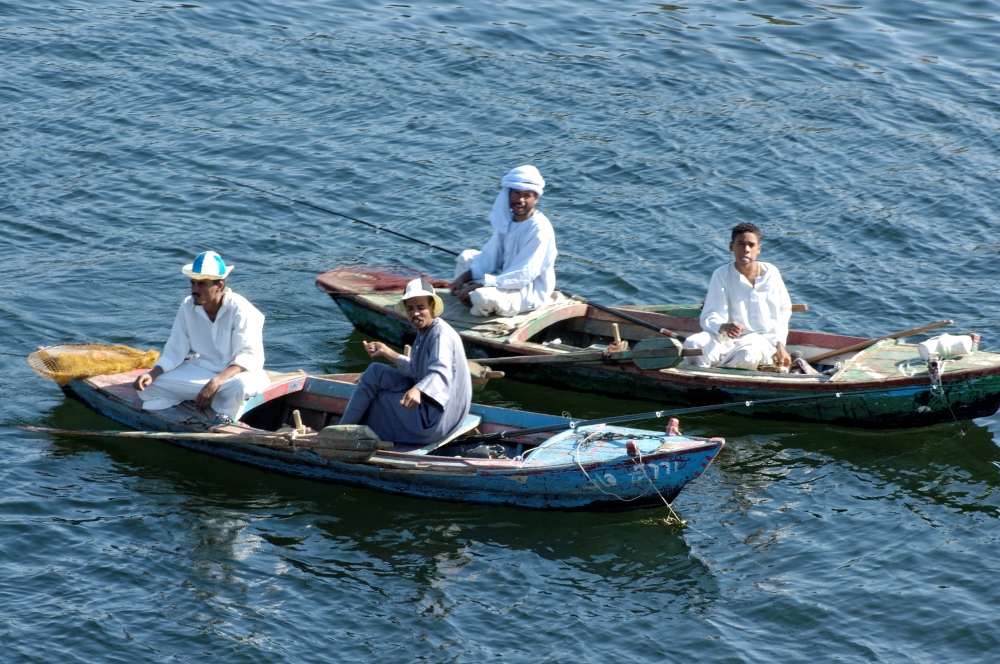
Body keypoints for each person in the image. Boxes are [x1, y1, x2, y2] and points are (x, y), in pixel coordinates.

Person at [133, 251, 270, 423]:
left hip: (238, 375)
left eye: (202, 284)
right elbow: (175, 350)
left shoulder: (242, 310)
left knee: (239, 387)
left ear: (219, 286)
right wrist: (153, 374)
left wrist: (216, 382)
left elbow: (249, 357)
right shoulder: (187, 306)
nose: (195, 290)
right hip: (202, 368)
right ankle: (208, 402)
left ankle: (221, 415)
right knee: (148, 387)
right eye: (193, 283)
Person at [340, 278, 472, 444]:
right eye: (410, 308)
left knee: (376, 399)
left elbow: (440, 372)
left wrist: (418, 390)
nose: (415, 313)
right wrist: (388, 352)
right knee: (376, 371)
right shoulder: (426, 332)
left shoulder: (440, 335)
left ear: (432, 307)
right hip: (443, 417)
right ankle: (343, 428)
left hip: (434, 423)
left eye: (420, 307)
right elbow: (418, 371)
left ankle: (342, 435)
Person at [449, 165, 558, 317]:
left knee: (481, 297)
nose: (520, 200)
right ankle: (468, 295)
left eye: (526, 195)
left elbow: (523, 274)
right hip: (503, 277)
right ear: (509, 194)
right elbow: (491, 257)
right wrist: (462, 279)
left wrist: (479, 285)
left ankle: (476, 302)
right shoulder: (508, 221)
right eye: (516, 193)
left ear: (536, 198)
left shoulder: (540, 229)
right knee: (466, 257)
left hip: (527, 290)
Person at [683, 223, 792, 370]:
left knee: (747, 355)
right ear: (731, 247)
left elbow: (784, 311)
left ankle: (712, 371)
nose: (746, 250)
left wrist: (780, 346)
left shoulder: (771, 274)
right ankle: (710, 372)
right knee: (692, 344)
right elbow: (710, 315)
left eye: (751, 245)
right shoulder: (721, 274)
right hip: (724, 339)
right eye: (741, 244)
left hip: (759, 341)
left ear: (758, 249)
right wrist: (724, 326)